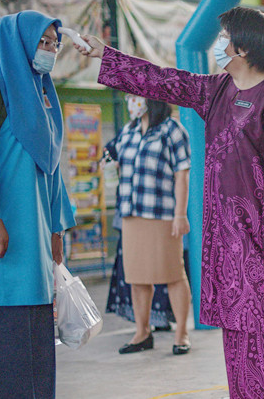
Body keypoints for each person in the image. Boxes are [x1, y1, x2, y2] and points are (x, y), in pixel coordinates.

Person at [74, 6, 264, 398]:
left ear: (242, 46)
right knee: (238, 327)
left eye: (224, 38)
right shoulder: (215, 90)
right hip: (225, 233)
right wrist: (107, 55)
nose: (218, 45)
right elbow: (163, 81)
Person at [0, 11, 76, 398]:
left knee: (36, 338)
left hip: (38, 234)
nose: (49, 50)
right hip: (2, 232)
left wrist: (58, 226)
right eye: (42, 42)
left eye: (53, 43)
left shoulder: (44, 94)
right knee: (3, 337)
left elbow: (53, 165)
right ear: (20, 40)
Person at [104, 94, 192, 355]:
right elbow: (115, 161)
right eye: (130, 95)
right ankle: (142, 333)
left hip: (162, 214)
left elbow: (182, 174)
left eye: (136, 94)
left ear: (152, 97)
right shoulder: (128, 130)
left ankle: (181, 334)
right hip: (131, 213)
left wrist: (180, 214)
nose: (132, 99)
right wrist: (108, 165)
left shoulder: (172, 129)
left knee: (173, 274)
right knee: (137, 277)